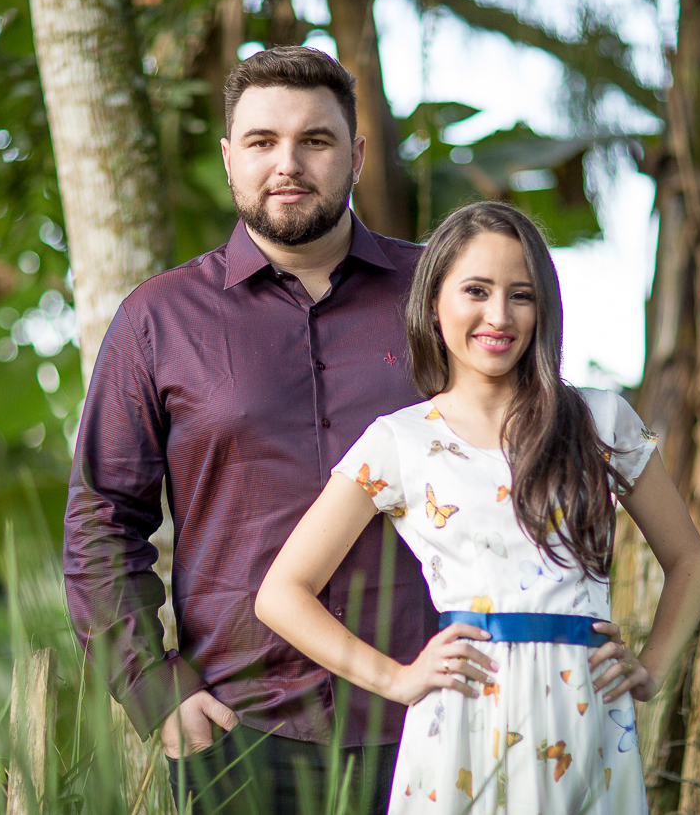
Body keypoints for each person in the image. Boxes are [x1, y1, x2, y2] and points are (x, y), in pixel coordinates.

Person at [63, 46, 439, 815]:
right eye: (263, 142)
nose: (288, 164)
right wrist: (151, 688)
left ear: (357, 156)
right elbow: (102, 517)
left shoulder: (440, 294)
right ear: (231, 159)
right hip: (243, 731)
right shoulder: (157, 320)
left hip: (437, 718)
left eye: (316, 140)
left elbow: (527, 455)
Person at [256, 201, 700, 812]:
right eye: (476, 290)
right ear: (434, 301)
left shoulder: (600, 421)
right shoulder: (401, 440)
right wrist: (396, 679)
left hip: (587, 722)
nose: (498, 315)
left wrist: (652, 669)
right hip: (462, 725)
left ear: (542, 308)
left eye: (520, 295)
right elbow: (281, 593)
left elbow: (692, 561)